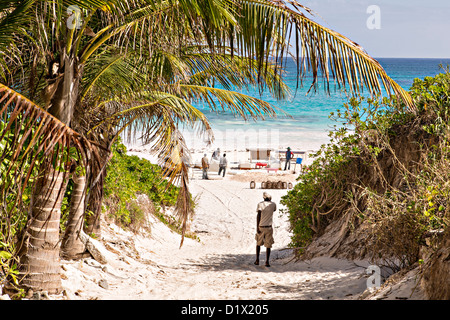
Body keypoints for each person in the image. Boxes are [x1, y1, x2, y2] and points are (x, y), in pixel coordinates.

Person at [254, 192, 276, 267]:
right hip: (269, 227)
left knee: (258, 244)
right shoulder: (273, 204)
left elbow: (258, 215)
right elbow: (274, 210)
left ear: (263, 198)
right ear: (270, 198)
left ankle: (257, 260)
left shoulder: (260, 204)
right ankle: (267, 261)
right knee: (268, 245)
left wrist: (257, 226)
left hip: (261, 227)